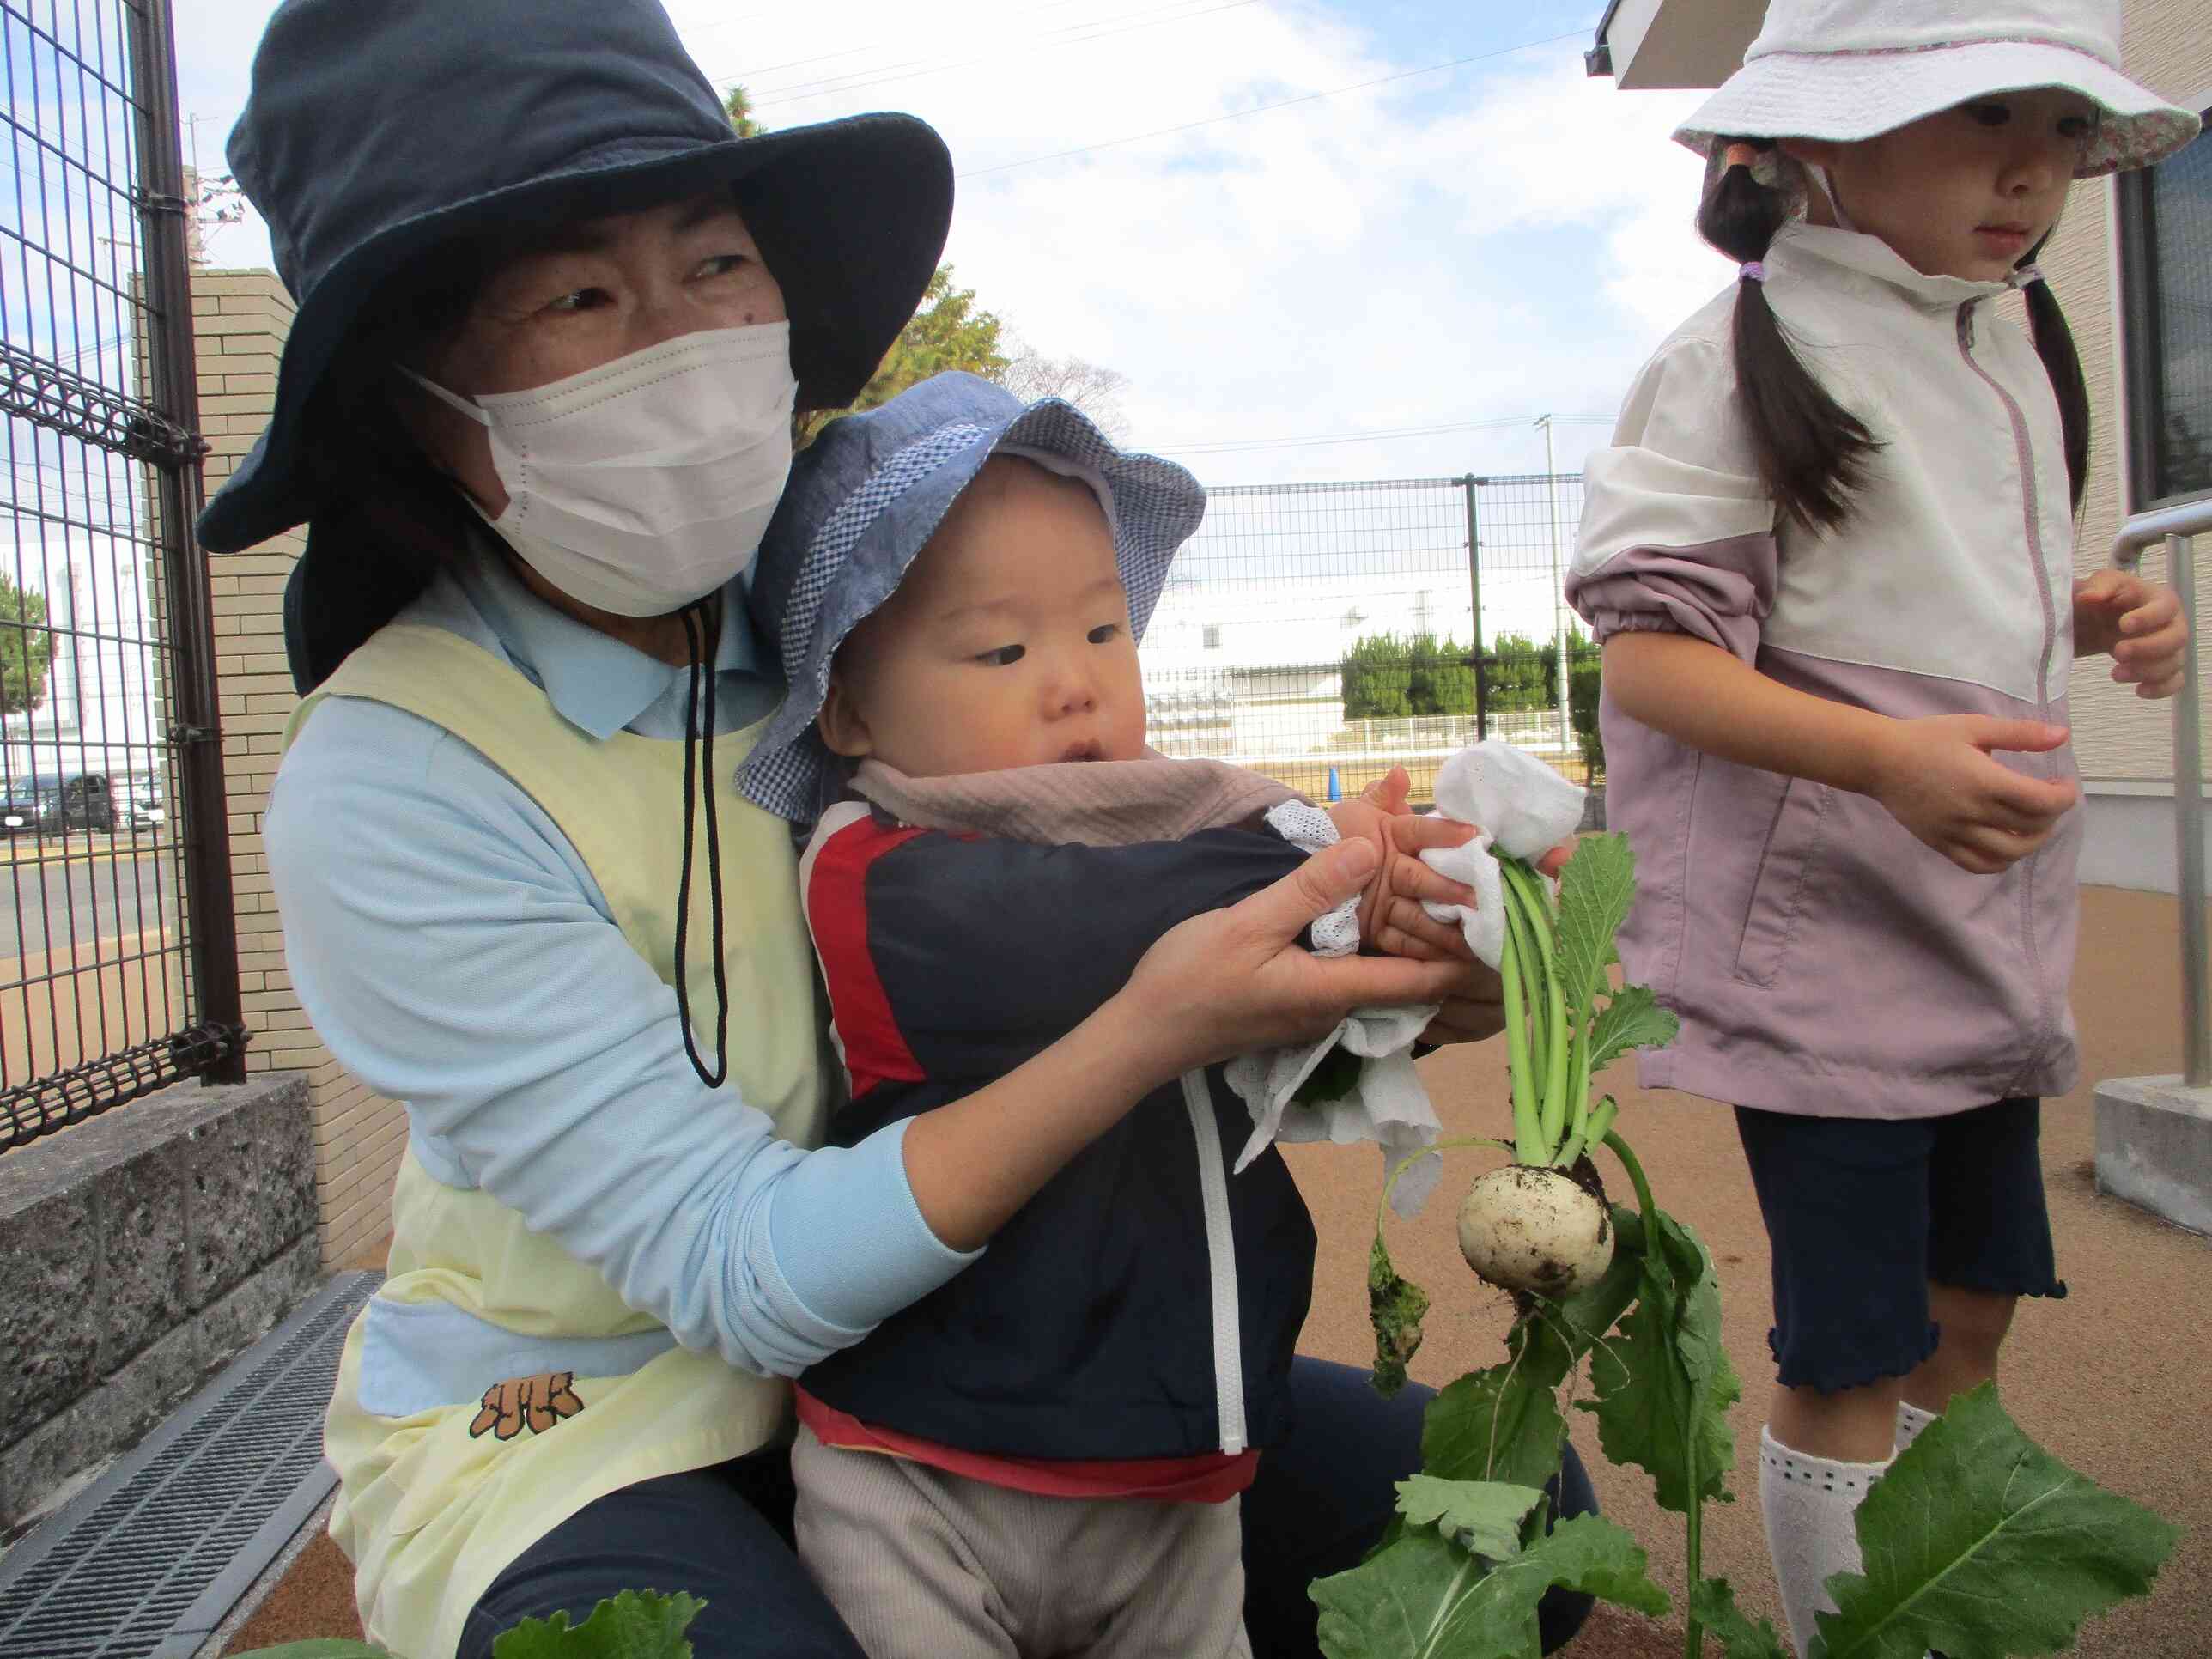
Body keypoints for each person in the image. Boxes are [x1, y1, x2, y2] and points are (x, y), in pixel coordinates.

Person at [203, 4, 1583, 1656]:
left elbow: (1133, 915)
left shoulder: (851, 607)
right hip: (591, 1411)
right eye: (581, 293)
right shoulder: (399, 776)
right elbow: (734, 1265)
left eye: (716, 262)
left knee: (1523, 1537)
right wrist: (1161, 1023)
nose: (680, 335)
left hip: (984, 1340)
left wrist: (1428, 966)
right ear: (424, 401)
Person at [1563, 3, 2198, 1652]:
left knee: (1972, 1309)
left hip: (1983, 928)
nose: (2033, 170)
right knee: (1849, 1344)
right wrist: (1888, 764)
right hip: (1825, 944)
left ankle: (1919, 1599)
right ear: (1814, 137)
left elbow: (1929, 605)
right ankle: (1851, 1637)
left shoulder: (2009, 337)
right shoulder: (1733, 356)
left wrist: (2087, 613)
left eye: (2063, 130)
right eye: (1983, 114)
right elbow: (1651, 658)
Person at [736, 372, 1538, 1659]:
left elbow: (1287, 1019)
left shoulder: (1194, 842)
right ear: (849, 708)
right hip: (921, 1471)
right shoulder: (872, 870)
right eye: (1003, 650)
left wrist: (1440, 952)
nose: (1076, 686)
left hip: (1170, 1467)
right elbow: (1074, 925)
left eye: (1107, 634)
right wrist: (1330, 863)